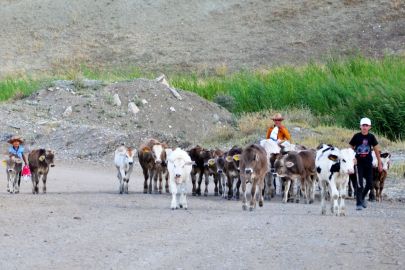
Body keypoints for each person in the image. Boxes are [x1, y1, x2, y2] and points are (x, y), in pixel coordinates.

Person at [349, 118, 383, 211]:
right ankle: (358, 203)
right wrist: (353, 158)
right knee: (360, 184)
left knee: (370, 183)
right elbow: (351, 149)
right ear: (360, 126)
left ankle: (363, 196)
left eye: (366, 126)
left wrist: (379, 163)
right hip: (358, 164)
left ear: (369, 127)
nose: (364, 127)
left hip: (368, 163)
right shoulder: (356, 136)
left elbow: (376, 150)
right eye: (363, 125)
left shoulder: (371, 137)